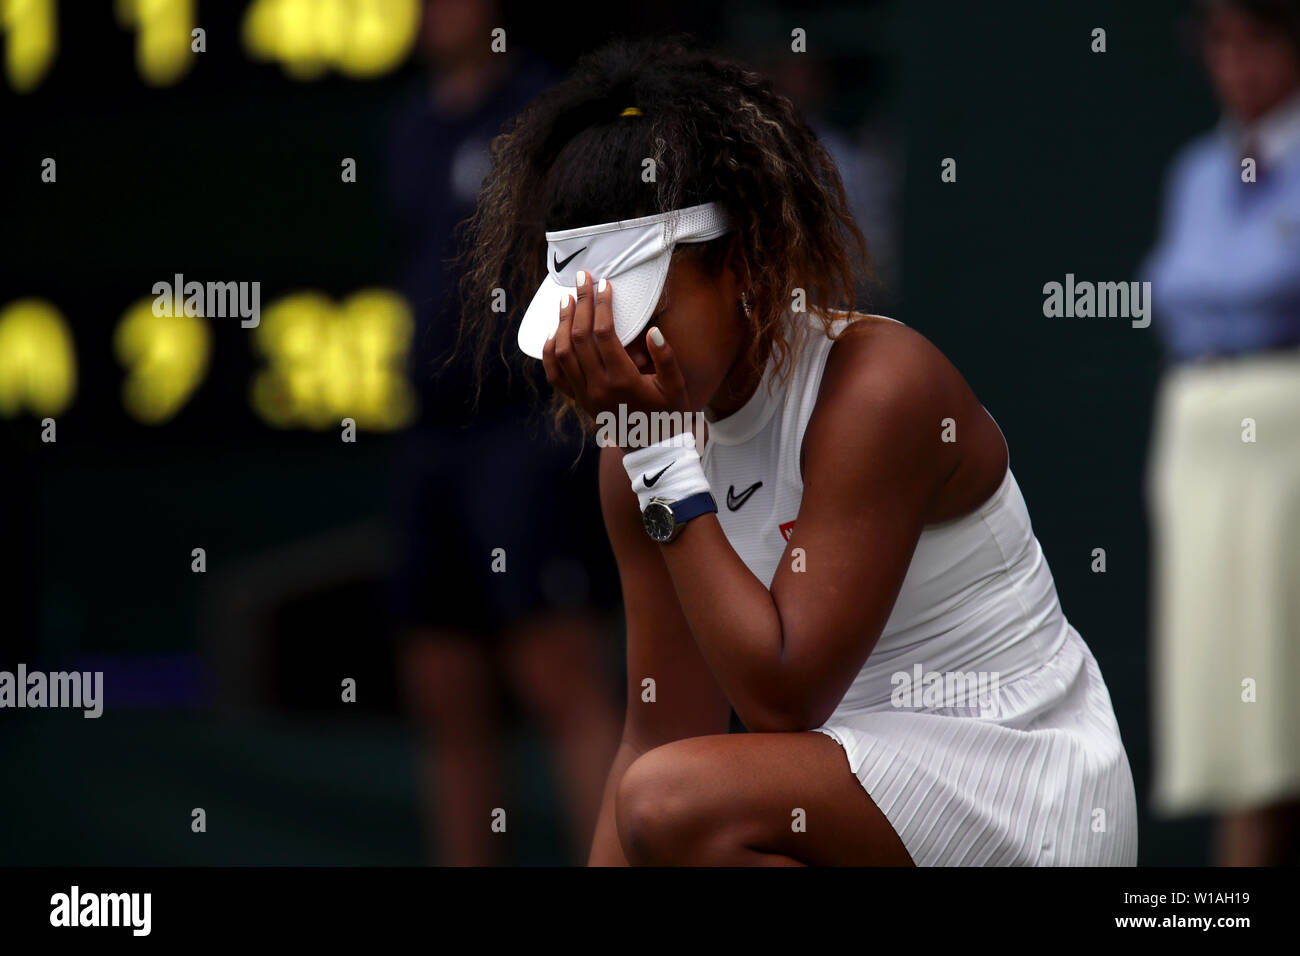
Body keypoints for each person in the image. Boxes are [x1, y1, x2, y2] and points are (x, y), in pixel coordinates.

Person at [457, 37, 1138, 866]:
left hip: (1027, 796)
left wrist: (660, 460)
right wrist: (651, 454)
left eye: (640, 311)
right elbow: (657, 732)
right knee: (669, 808)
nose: (620, 354)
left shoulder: (878, 389)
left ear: (739, 263)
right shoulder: (638, 448)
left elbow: (784, 697)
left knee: (673, 803)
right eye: (595, 326)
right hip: (859, 802)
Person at [385, 0, 620, 865]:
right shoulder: (407, 130)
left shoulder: (546, 115)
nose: (423, 12)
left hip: (526, 429)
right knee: (442, 685)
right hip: (431, 440)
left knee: (559, 675)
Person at [1143, 0, 1300, 866]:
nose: (1236, 64)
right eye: (1220, 42)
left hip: (1287, 439)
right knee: (1237, 726)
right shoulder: (1197, 170)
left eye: (1258, 41)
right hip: (1201, 447)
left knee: (1284, 709)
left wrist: (1217, 284)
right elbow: (1189, 290)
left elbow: (1228, 282)